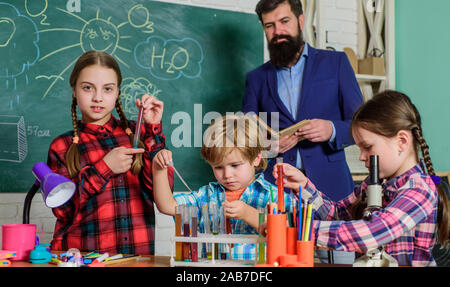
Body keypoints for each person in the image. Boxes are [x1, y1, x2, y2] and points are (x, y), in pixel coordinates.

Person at [243, 0, 363, 263]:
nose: (278, 31)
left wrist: (331, 129)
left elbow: (362, 124)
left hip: (332, 191)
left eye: (284, 21)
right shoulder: (255, 78)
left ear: (300, 21)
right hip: (277, 194)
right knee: (279, 261)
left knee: (341, 262)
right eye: (269, 26)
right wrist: (267, 145)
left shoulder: (336, 63)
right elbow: (245, 137)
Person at [270, 90, 450, 266]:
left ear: (401, 141)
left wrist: (298, 231)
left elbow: (373, 232)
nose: (362, 157)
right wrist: (304, 187)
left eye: (367, 147)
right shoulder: (374, 184)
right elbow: (337, 215)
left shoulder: (419, 189)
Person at [47, 50, 173, 254]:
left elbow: (164, 196)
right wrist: (104, 168)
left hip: (137, 256)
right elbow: (63, 210)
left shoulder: (139, 133)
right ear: (74, 90)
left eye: (107, 89)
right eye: (87, 88)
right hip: (82, 257)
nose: (97, 97)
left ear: (117, 93)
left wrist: (153, 129)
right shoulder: (62, 145)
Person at [152, 114, 297, 260]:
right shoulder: (207, 195)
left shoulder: (272, 195)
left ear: (256, 158)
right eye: (218, 167)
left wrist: (248, 214)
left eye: (235, 165)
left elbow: (287, 233)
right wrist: (159, 170)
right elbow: (168, 206)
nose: (227, 174)